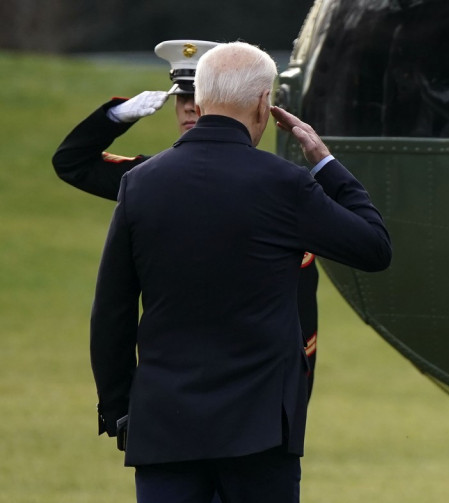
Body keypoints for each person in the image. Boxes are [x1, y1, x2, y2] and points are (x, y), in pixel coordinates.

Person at [89, 41, 392, 502]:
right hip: (260, 430)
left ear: (202, 98)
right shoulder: (284, 184)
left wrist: (119, 410)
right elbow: (374, 248)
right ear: (262, 103)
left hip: (164, 425)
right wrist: (324, 162)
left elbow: (111, 311)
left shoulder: (141, 184)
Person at [52, 40, 321, 397]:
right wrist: (115, 117)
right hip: (173, 385)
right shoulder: (148, 182)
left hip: (254, 388)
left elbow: (302, 313)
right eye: (182, 98)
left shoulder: (284, 188)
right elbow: (72, 163)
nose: (191, 109)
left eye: (201, 96)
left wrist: (295, 397)